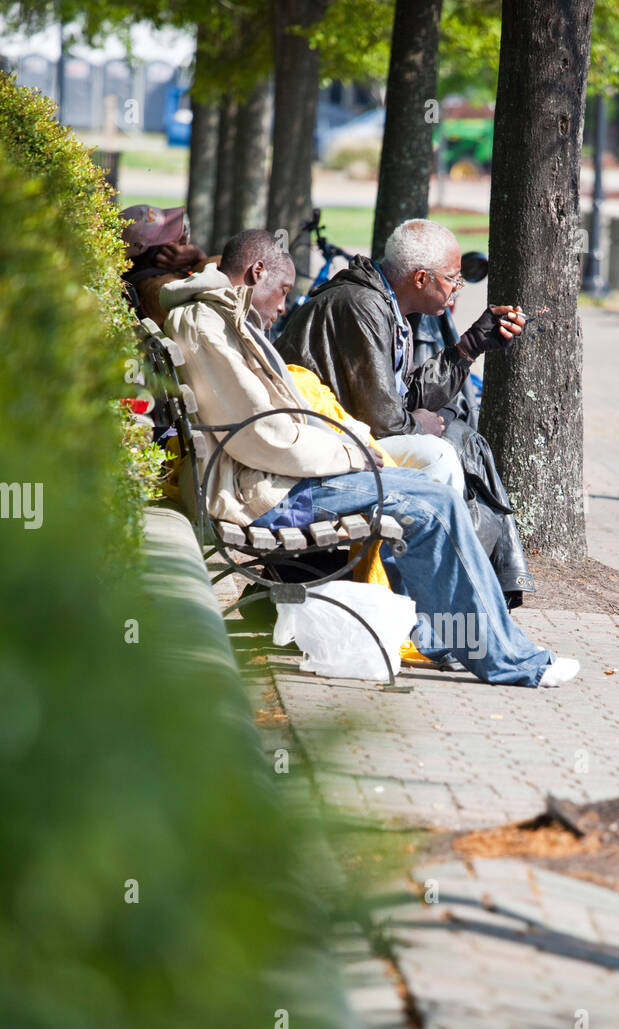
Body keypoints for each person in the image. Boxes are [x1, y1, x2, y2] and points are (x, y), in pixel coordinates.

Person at [159, 229, 579, 689]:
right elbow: (266, 436)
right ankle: (510, 660)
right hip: (271, 493)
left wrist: (355, 444)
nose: (283, 308)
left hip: (279, 479)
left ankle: (461, 641)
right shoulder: (210, 324)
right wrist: (352, 453)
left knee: (436, 496)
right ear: (256, 273)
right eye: (281, 293)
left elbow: (275, 425)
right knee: (431, 507)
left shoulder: (221, 318)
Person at [274, 218, 536, 606]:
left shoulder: (384, 305)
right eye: (452, 279)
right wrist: (422, 425)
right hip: (322, 454)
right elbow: (384, 420)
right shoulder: (362, 305)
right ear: (420, 279)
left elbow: (402, 393)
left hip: (342, 443)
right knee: (440, 453)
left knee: (456, 438)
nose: (456, 289)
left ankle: (443, 592)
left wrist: (470, 346)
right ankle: (432, 599)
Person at [121, 205, 217, 328]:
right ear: (160, 253)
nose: (184, 238)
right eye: (174, 235)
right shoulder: (163, 289)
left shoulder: (149, 281)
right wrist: (201, 259)